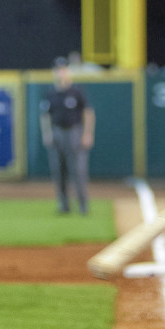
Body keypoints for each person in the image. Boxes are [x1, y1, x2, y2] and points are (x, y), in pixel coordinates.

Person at [40, 56, 95, 215]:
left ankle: (83, 206)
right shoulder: (51, 93)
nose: (60, 72)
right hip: (57, 132)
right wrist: (47, 133)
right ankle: (64, 206)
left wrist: (87, 134)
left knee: (78, 171)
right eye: (58, 69)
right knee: (59, 172)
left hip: (74, 132)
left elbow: (88, 113)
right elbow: (45, 115)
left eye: (63, 69)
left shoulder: (76, 91)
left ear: (67, 71)